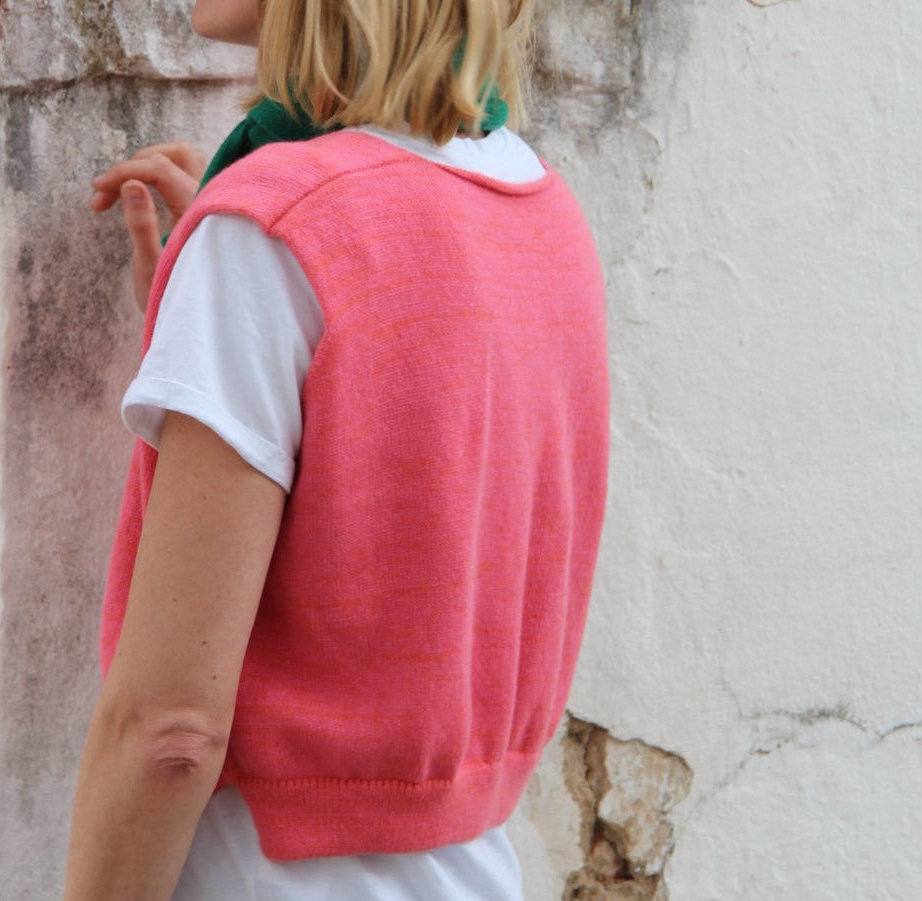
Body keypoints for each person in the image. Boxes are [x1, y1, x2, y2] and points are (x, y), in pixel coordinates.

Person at [63, 0, 609, 898]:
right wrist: (220, 324)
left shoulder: (270, 235)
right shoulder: (542, 209)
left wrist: (242, 273)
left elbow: (169, 732)